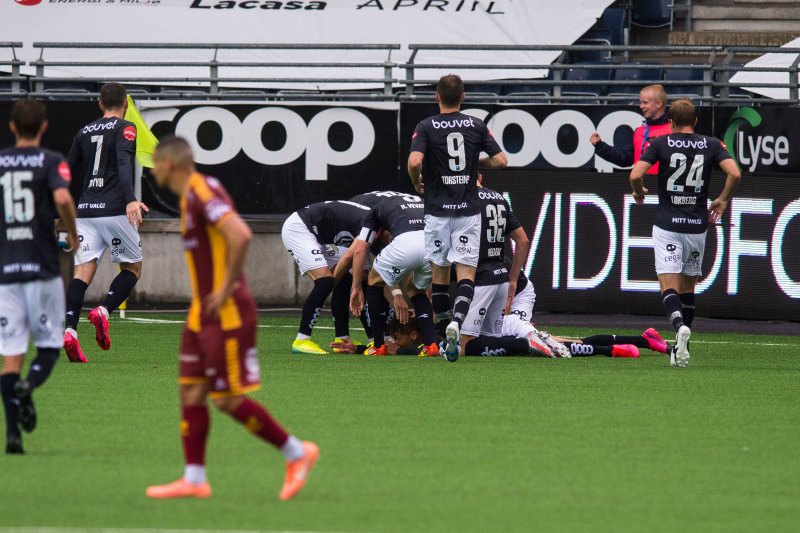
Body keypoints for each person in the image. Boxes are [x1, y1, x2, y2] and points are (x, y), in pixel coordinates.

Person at [146, 136, 318, 500]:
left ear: (167, 165)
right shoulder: (191, 196)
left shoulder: (201, 192)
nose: (151, 170)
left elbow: (240, 234)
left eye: (154, 163)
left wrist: (224, 288)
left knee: (226, 399)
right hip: (201, 315)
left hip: (225, 313)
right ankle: (194, 479)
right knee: (191, 390)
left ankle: (297, 453)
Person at [630, 99, 741, 368]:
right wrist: (723, 200)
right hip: (696, 227)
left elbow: (635, 174)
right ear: (696, 121)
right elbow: (735, 174)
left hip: (667, 225)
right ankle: (683, 348)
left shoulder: (660, 143)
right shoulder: (711, 144)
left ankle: (679, 326)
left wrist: (638, 190)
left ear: (670, 122)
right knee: (689, 287)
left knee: (668, 285)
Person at [408, 74, 508, 362]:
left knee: (439, 278)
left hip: (437, 212)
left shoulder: (426, 126)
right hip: (467, 211)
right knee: (466, 276)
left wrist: (416, 181)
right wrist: (474, 163)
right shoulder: (476, 125)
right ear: (462, 97)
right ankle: (457, 323)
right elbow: (502, 160)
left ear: (437, 97)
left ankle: (443, 337)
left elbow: (415, 162)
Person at [0, 99, 78, 454]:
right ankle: (29, 385)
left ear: (12, 127)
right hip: (42, 268)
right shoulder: (51, 161)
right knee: (48, 347)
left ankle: (12, 435)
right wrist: (72, 233)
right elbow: (62, 197)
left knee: (11, 356)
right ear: (44, 127)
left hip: (7, 272)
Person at [63, 82, 149, 363]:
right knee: (133, 268)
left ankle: (70, 331)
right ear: (126, 104)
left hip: (85, 211)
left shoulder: (83, 131)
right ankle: (103, 310)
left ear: (100, 104)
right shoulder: (126, 127)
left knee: (82, 272)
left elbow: (67, 169)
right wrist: (131, 199)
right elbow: (123, 163)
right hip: (114, 210)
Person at [343, 190, 439, 357]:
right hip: (433, 246)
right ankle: (431, 346)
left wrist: (356, 287)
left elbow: (360, 249)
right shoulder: (420, 201)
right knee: (416, 289)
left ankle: (378, 346)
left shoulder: (375, 208)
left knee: (374, 278)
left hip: (406, 242)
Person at [281, 200, 372, 354]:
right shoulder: (371, 226)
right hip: (300, 228)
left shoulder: (373, 224)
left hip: (318, 235)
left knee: (344, 277)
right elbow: (348, 258)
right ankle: (301, 340)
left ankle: (342, 338)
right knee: (325, 282)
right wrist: (331, 285)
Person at [591, 84, 671, 173]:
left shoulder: (674, 130)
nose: (641, 106)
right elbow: (625, 158)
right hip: (640, 182)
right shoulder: (639, 131)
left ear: (658, 104)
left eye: (645, 102)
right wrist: (600, 146)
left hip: (664, 182)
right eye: (641, 103)